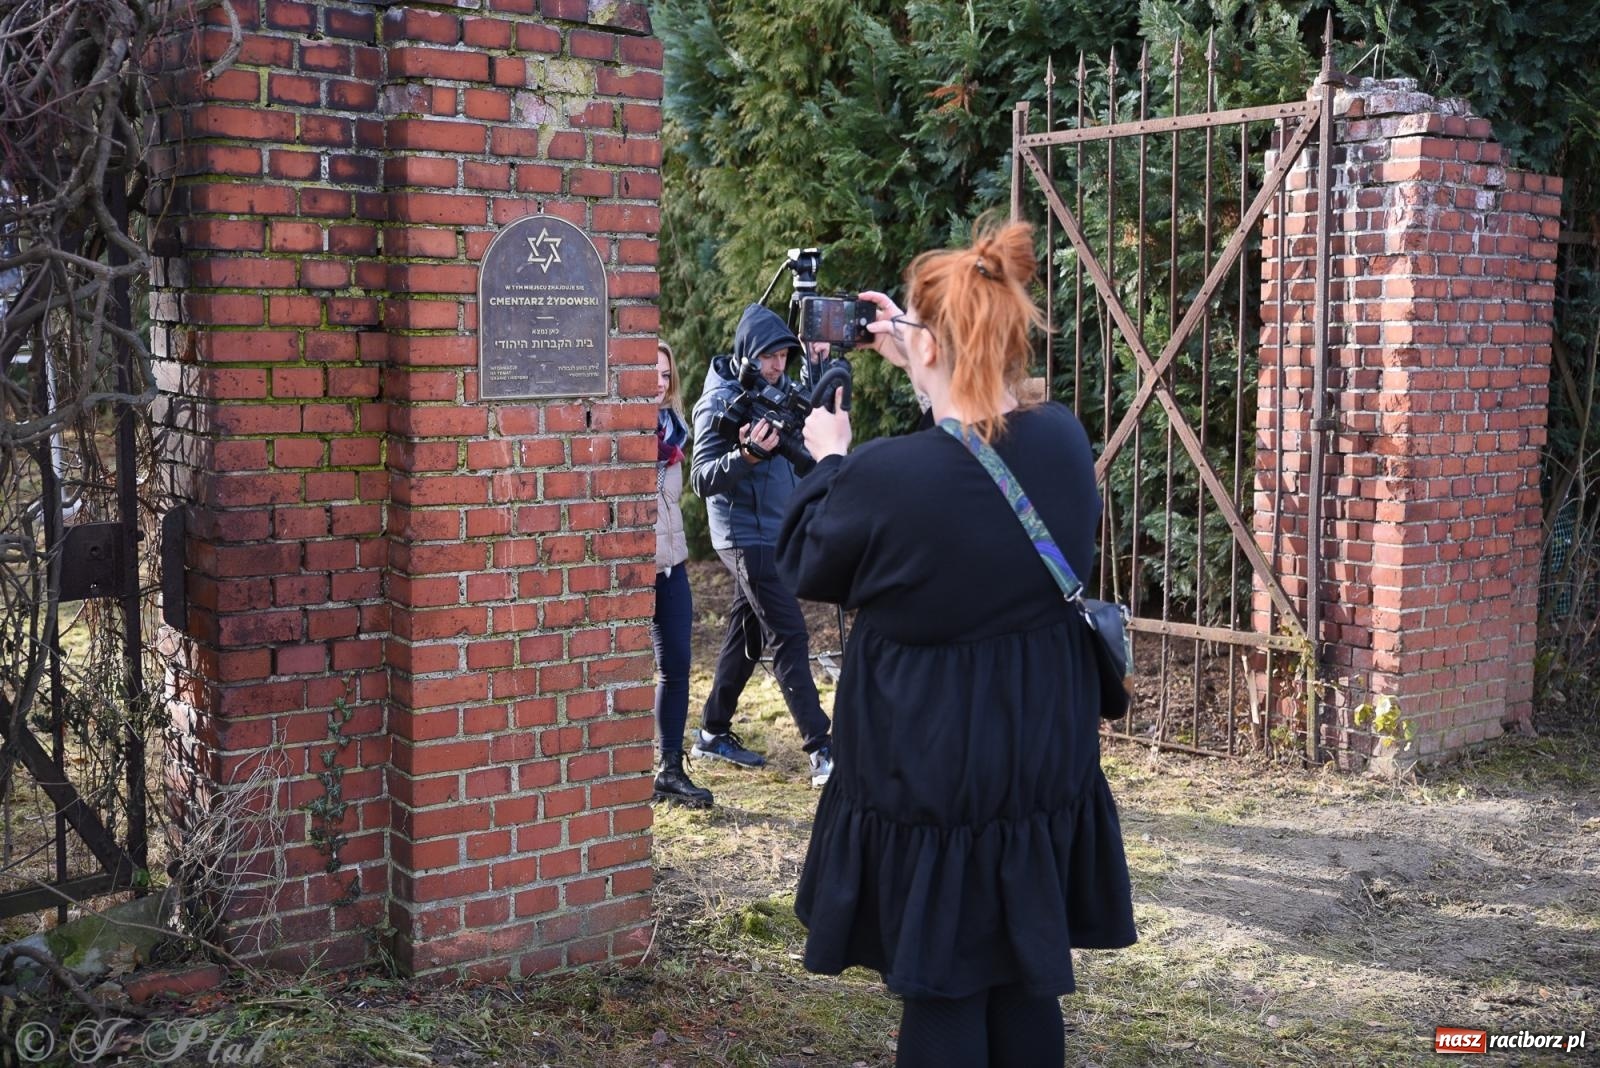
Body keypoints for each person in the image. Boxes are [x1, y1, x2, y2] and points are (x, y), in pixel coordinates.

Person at [776, 218, 1136, 1067]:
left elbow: (807, 560)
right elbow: (976, 447)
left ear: (930, 342)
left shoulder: (884, 476)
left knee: (942, 980)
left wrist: (829, 459)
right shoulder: (1062, 440)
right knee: (1021, 976)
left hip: (934, 757)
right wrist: (924, 352)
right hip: (1040, 744)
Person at [689, 304, 834, 787]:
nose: (779, 366)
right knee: (789, 635)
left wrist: (818, 366)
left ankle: (711, 732)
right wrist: (747, 454)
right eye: (771, 357)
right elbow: (701, 479)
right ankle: (823, 751)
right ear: (749, 354)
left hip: (773, 531)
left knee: (744, 637)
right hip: (744, 538)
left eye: (783, 357)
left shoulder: (772, 388)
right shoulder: (718, 404)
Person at [650, 340, 713, 808]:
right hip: (634, 569)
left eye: (664, 374)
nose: (658, 381)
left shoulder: (675, 432)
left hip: (672, 565)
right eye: (650, 372)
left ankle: (669, 769)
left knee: (677, 665)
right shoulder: (625, 433)